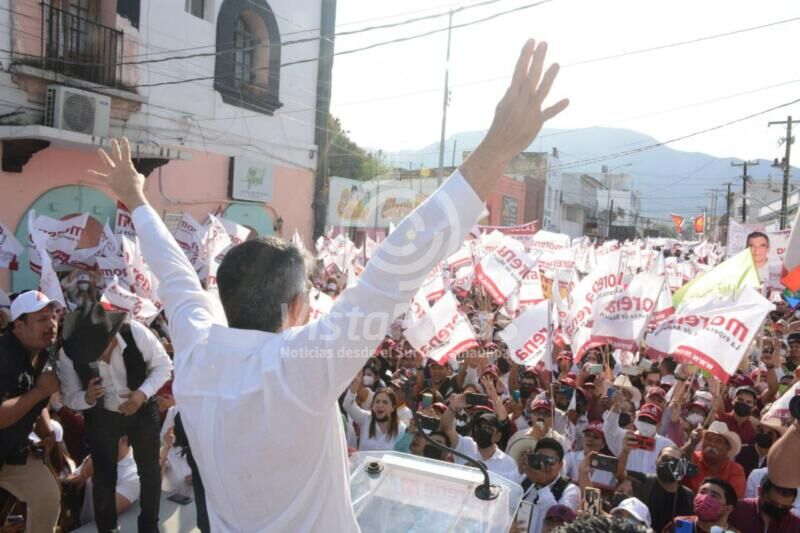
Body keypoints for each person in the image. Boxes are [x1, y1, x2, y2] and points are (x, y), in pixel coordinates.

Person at [88, 38, 569, 530]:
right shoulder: (299, 367)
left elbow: (174, 274)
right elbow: (392, 269)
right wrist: (497, 146)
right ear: (297, 307)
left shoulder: (195, 351)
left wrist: (136, 199)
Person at [57, 303, 172, 532]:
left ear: (110, 338)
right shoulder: (69, 353)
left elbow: (164, 366)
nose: (95, 357)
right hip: (101, 416)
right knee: (103, 478)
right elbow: (70, 397)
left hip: (142, 410)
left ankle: (149, 527)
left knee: (149, 471)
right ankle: (106, 529)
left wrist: (141, 394)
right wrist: (87, 398)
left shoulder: (135, 332)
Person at [0, 291, 62, 532]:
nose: (51, 324)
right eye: (41, 319)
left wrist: (47, 434)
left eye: (53, 317)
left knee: (46, 496)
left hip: (12, 452)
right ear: (19, 325)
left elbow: (38, 403)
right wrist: (39, 391)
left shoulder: (44, 352)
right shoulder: (3, 356)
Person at [440, 384, 518, 482]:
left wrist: (495, 397)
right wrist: (453, 406)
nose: (483, 430)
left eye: (488, 428)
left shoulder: (508, 464)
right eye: (479, 426)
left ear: (498, 436)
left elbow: (512, 490)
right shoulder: (465, 444)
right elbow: (446, 429)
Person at [621, 445, 695, 533]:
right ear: (656, 461)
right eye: (665, 459)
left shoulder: (688, 496)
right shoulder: (644, 481)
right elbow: (620, 474)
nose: (669, 464)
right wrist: (625, 451)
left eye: (675, 461)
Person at [73, 435, 141, 527]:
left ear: (125, 440)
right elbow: (72, 485)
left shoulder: (135, 473)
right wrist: (83, 476)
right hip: (85, 525)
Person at [521, 438, 581, 533]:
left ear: (561, 465)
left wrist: (541, 486)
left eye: (550, 460)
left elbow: (559, 521)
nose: (545, 465)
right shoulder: (526, 479)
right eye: (541, 459)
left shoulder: (571, 490)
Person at [604, 398, 675, 474]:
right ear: (637, 419)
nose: (646, 423)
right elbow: (610, 430)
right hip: (628, 481)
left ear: (659, 425)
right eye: (642, 419)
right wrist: (615, 406)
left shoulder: (666, 445)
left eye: (650, 421)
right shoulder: (627, 437)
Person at [682, 421, 746, 498]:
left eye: (718, 441)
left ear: (727, 448)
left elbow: (733, 498)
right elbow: (674, 468)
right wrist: (691, 444)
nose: (712, 444)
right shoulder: (692, 457)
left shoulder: (735, 470)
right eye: (708, 439)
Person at [343, 373, 405, 451]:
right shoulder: (365, 418)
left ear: (393, 407)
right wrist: (355, 384)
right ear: (372, 405)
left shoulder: (401, 428)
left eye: (385, 402)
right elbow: (348, 405)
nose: (380, 405)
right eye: (377, 401)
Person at [664, 478, 739, 533]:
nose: (705, 498)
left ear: (728, 509)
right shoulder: (681, 524)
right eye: (702, 492)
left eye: (714, 496)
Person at [729, 475, 800, 532]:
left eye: (785, 507)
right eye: (773, 503)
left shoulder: (795, 525)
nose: (779, 508)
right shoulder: (736, 510)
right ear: (760, 491)